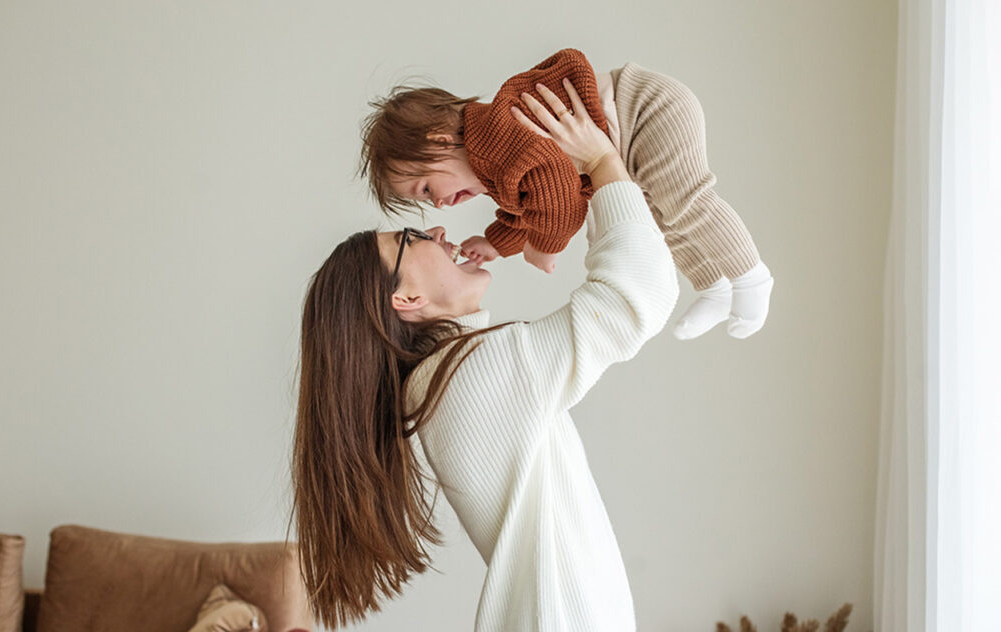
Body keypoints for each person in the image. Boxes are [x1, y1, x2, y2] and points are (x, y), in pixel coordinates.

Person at [293, 82, 678, 630]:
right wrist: (600, 160)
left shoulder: (446, 380)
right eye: (411, 236)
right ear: (406, 299)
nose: (437, 226)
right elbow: (637, 294)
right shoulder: (472, 374)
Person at [360, 48, 774, 340]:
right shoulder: (491, 165)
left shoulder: (494, 136)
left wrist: (544, 245)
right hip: (628, 142)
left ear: (440, 141)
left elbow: (557, 193)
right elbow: (525, 207)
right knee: (662, 217)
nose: (435, 204)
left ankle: (752, 279)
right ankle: (715, 286)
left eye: (427, 187)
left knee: (687, 204)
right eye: (425, 201)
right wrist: (496, 243)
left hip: (644, 110)